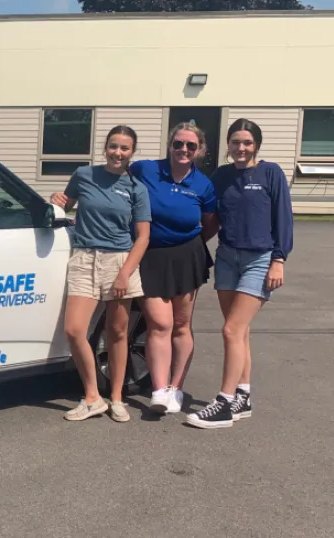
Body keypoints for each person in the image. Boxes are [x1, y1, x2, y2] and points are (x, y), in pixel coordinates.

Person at [186, 118, 294, 429]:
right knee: (239, 331)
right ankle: (243, 396)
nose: (241, 148)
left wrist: (279, 259)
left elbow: (283, 218)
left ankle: (224, 402)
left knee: (231, 330)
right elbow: (209, 215)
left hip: (259, 259)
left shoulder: (270, 173)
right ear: (228, 145)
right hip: (227, 258)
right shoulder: (221, 176)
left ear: (256, 145)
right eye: (235, 142)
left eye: (247, 142)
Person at [50, 125, 151, 423]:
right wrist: (57, 199)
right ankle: (93, 397)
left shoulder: (136, 188)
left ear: (132, 152)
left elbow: (143, 237)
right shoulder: (84, 175)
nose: (118, 153)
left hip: (120, 262)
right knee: (74, 330)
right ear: (105, 148)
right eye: (113, 146)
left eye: (124, 148)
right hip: (84, 258)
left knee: (117, 333)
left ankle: (117, 398)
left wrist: (124, 274)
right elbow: (66, 205)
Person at [129, 123, 218, 415]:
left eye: (190, 146)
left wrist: (189, 245)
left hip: (187, 256)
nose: (183, 149)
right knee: (159, 324)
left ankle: (176, 387)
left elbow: (210, 224)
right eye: (178, 144)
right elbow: (111, 179)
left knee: (181, 325)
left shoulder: (203, 184)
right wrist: (69, 197)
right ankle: (158, 390)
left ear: (199, 150)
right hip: (149, 254)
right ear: (170, 145)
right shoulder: (145, 169)